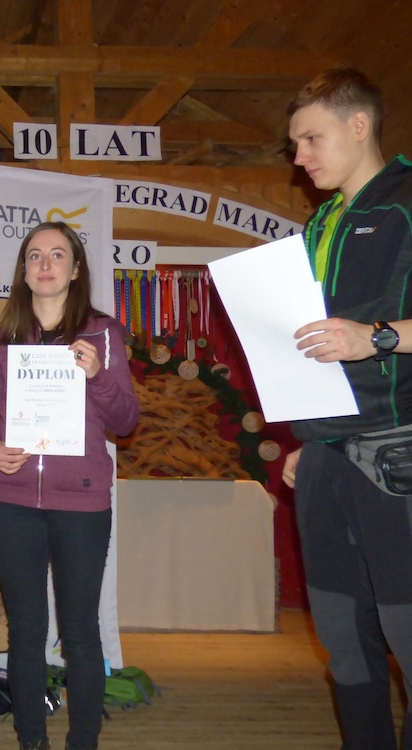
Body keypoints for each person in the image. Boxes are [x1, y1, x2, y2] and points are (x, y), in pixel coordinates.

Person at [281, 67, 412, 749]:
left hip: (396, 454)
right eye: (295, 144)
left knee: (407, 635)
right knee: (344, 643)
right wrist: (309, 438)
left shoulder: (408, 203)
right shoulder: (321, 221)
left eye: (311, 139)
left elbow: (361, 338)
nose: (299, 158)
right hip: (325, 458)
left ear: (359, 125)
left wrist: (378, 337)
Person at [0, 222, 138, 750]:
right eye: (35, 256)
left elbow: (127, 420)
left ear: (75, 269)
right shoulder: (0, 340)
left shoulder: (104, 334)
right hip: (15, 500)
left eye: (57, 255)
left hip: (82, 502)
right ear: (24, 270)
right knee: (25, 632)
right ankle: (32, 742)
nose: (45, 265)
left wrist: (99, 376)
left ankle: (82, 743)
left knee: (80, 631)